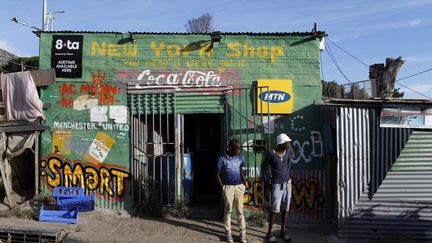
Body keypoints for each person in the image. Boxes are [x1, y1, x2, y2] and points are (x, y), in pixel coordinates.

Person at [261, 133, 293, 243]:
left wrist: (287, 174)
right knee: (274, 210)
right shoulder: (271, 154)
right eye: (287, 143)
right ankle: (269, 234)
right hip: (276, 185)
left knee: (286, 208)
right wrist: (267, 183)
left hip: (287, 183)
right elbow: (264, 168)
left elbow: (288, 162)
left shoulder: (288, 151)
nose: (289, 144)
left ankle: (282, 231)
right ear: (281, 144)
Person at [216, 139, 247, 243]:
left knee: (240, 211)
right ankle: (228, 234)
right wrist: (223, 187)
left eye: (239, 149)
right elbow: (217, 174)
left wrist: (244, 182)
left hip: (239, 187)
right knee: (228, 211)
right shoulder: (222, 158)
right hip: (228, 187)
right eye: (237, 149)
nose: (239, 151)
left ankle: (242, 234)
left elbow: (242, 170)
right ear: (231, 148)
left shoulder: (240, 157)